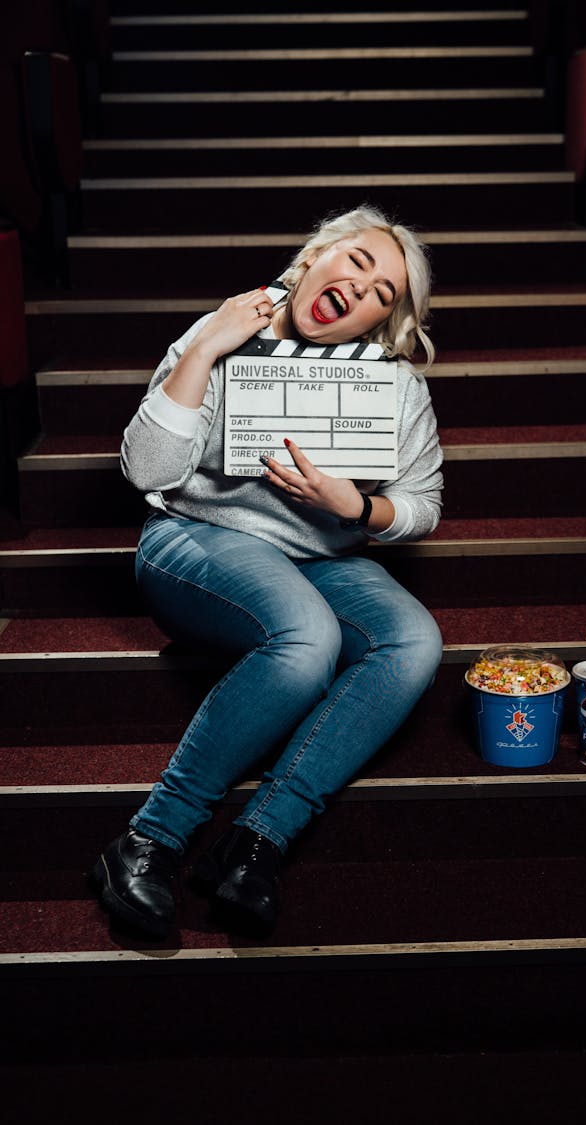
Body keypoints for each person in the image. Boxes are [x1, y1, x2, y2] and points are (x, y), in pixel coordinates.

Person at [91, 205, 444, 941]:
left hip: (322, 553)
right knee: (306, 636)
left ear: (380, 326)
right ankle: (150, 837)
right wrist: (206, 348)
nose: (363, 287)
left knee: (413, 638)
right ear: (316, 256)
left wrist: (361, 506)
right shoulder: (222, 332)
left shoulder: (395, 386)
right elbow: (148, 470)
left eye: (385, 294)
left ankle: (256, 841)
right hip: (197, 537)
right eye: (356, 262)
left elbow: (423, 503)